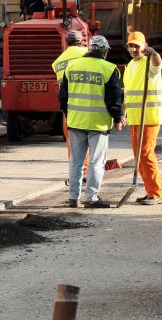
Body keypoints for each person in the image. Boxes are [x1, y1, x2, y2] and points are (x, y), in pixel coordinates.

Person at [59, 35, 125, 208]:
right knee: (97, 161)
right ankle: (91, 197)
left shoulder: (71, 67)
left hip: (75, 122)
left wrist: (68, 114)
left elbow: (63, 97)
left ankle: (73, 198)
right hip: (98, 124)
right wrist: (118, 118)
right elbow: (114, 99)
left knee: (76, 161)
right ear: (105, 51)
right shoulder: (109, 69)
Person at [123, 31, 162, 205]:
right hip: (134, 118)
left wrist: (154, 54)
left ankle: (156, 193)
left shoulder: (149, 63)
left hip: (149, 117)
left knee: (146, 154)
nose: (133, 49)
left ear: (144, 46)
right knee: (139, 157)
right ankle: (149, 191)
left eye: (136, 46)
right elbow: (128, 92)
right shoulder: (130, 65)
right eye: (130, 46)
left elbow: (158, 64)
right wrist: (123, 112)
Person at [52, 30, 89, 183]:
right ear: (82, 42)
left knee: (72, 143)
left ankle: (76, 172)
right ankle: (88, 172)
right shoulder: (88, 55)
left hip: (69, 108)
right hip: (89, 104)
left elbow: (61, 89)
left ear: (66, 42)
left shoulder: (58, 62)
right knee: (89, 140)